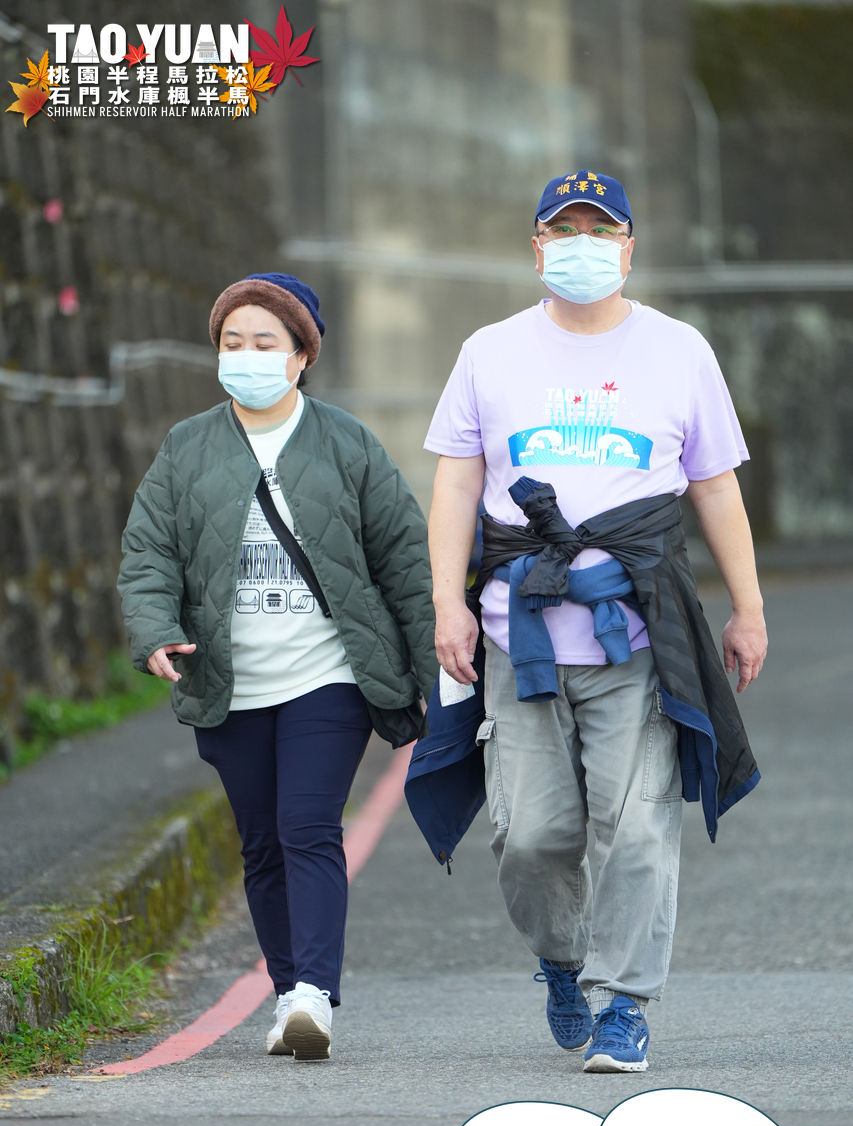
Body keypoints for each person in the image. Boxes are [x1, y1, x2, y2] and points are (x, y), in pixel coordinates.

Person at [421, 171, 767, 1073]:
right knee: (531, 838)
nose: (582, 244)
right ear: (537, 247)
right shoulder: (490, 351)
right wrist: (448, 602)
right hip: (518, 634)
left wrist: (748, 608)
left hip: (637, 635)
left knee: (639, 826)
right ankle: (561, 958)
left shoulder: (678, 350)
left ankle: (625, 1005)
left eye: (599, 229)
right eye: (563, 229)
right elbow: (456, 482)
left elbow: (714, 485)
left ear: (627, 246)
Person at [118, 272, 436, 1061]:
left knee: (307, 826)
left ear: (301, 357)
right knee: (260, 843)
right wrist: (154, 630)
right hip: (228, 681)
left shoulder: (346, 442)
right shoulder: (188, 445)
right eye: (232, 342)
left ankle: (313, 996)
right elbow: (150, 550)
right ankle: (290, 990)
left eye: (265, 342)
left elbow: (402, 556)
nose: (246, 356)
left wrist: (437, 669)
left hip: (328, 674)